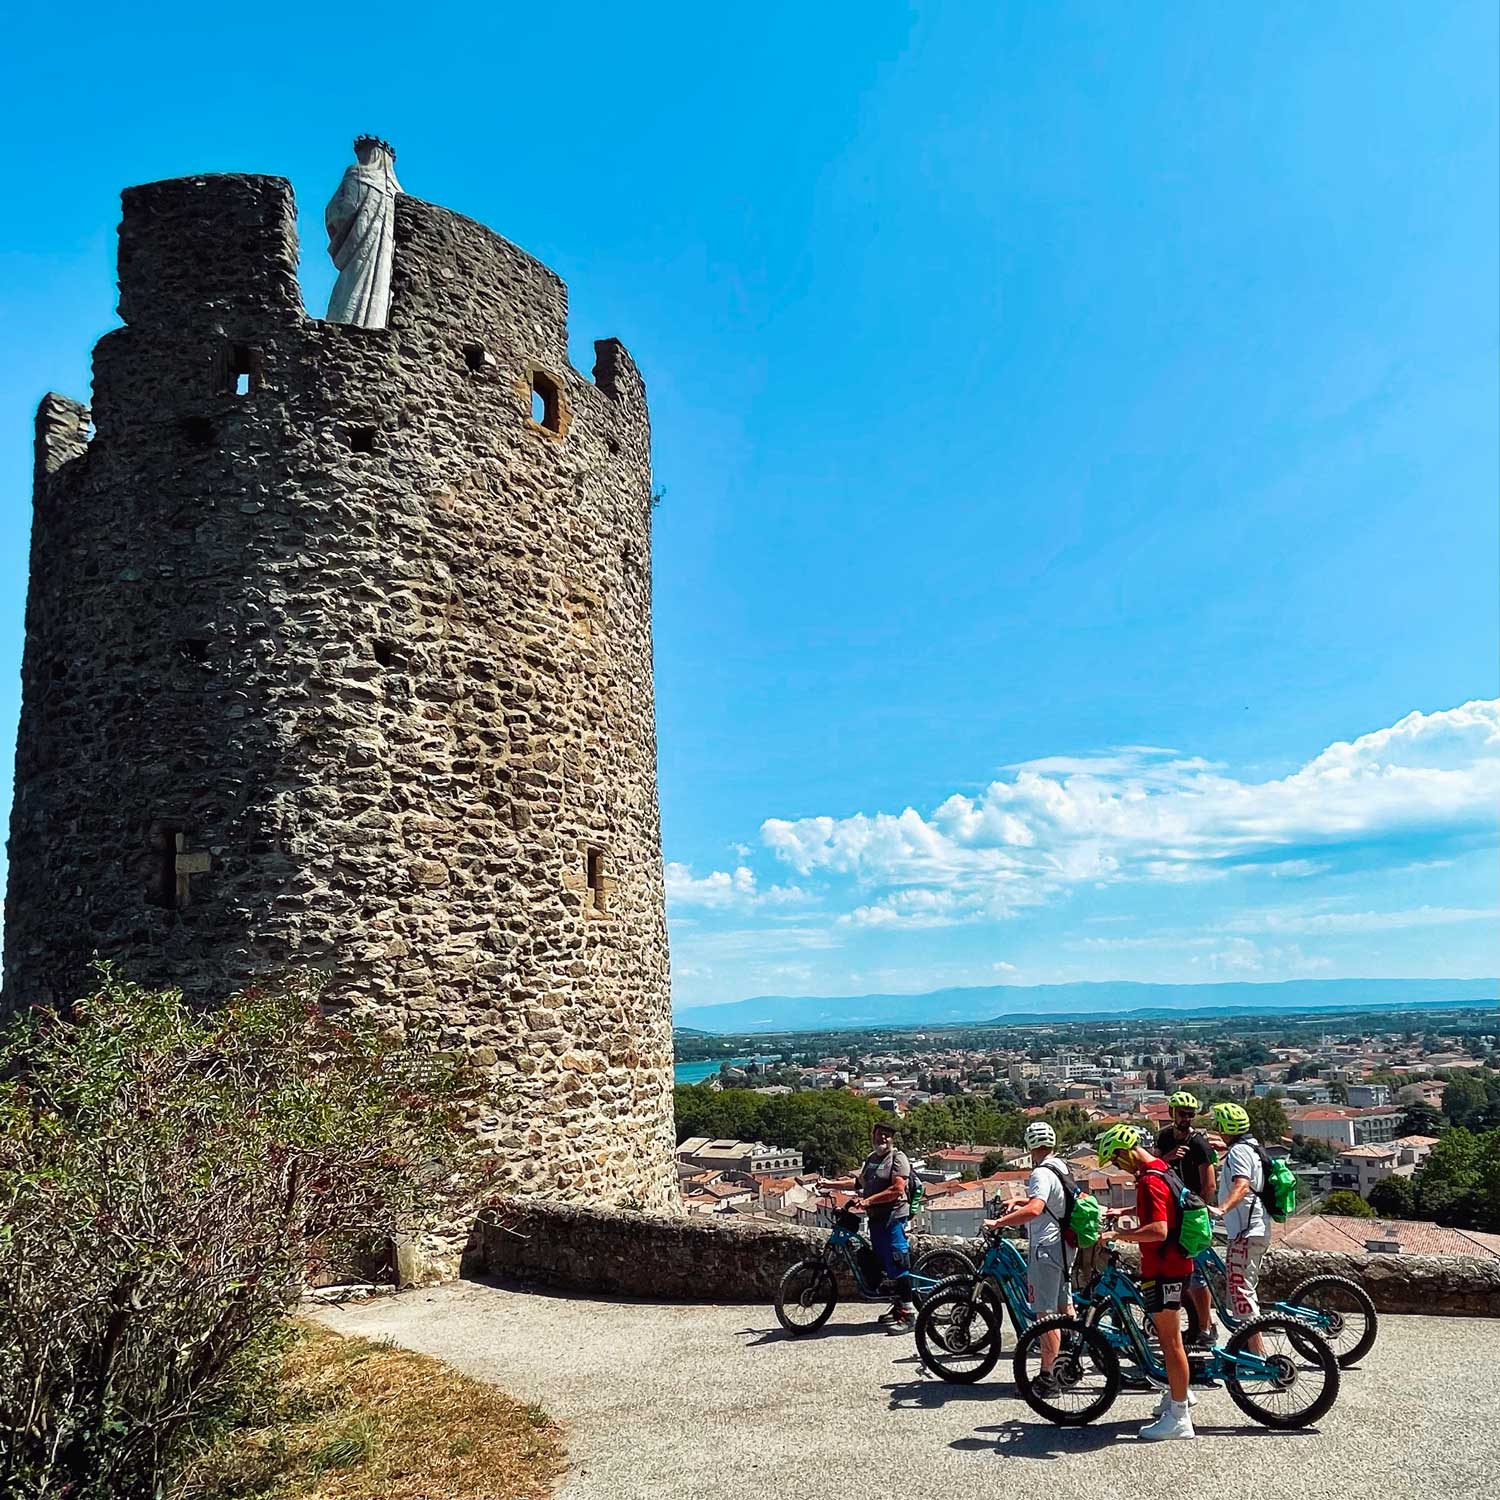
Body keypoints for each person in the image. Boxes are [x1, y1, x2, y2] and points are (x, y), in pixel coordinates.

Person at [1096, 1123, 1196, 1441]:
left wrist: (1118, 1234)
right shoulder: (1159, 1168)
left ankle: (1180, 1417)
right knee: (1169, 1341)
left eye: (1116, 1159)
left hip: (1166, 1267)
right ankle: (1177, 1395)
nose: (1117, 1167)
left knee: (1170, 1342)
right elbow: (1163, 1206)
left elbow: (1159, 1230)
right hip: (1172, 1264)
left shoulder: (1150, 1180)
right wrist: (1127, 1210)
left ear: (1126, 1151)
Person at [982, 1120, 1073, 1393]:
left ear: (1029, 1146)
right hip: (1064, 1247)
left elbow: (1036, 1209)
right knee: (1064, 1308)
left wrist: (1000, 1223)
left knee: (1044, 1316)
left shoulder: (1040, 1174)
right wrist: (1020, 1202)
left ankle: (1048, 1378)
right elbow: (1051, 1203)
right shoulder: (1060, 1167)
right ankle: (1069, 1363)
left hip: (1045, 1248)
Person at [1154, 1091, 1218, 1347]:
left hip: (1193, 1216)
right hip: (1172, 1215)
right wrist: (1167, 1159)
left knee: (1197, 1275)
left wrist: (1198, 1212)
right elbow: (1153, 1166)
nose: (1187, 1118)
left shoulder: (1199, 1144)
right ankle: (1189, 1325)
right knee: (1180, 1274)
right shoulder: (1165, 1137)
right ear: (1172, 1113)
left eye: (1191, 1114)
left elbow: (1209, 1184)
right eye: (1182, 1113)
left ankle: (1206, 1326)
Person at [1207, 1101, 1270, 1355]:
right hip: (1255, 1228)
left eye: (1218, 1124)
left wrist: (1221, 1209)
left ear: (1225, 1127)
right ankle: (1250, 1347)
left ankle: (1259, 1354)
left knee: (1240, 1290)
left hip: (1245, 1232)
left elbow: (1242, 1184)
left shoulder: (1238, 1153)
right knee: (1243, 1289)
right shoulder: (1249, 1146)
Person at [848, 1119, 916, 1333]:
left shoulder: (898, 1158)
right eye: (879, 1134)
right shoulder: (871, 1159)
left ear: (892, 1139)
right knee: (885, 1265)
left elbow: (897, 1189)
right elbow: (859, 1184)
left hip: (893, 1217)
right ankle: (898, 1307)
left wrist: (867, 1201)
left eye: (887, 1135)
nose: (882, 1138)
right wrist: (828, 1184)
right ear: (873, 1136)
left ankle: (909, 1314)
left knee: (898, 1262)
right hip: (877, 1219)